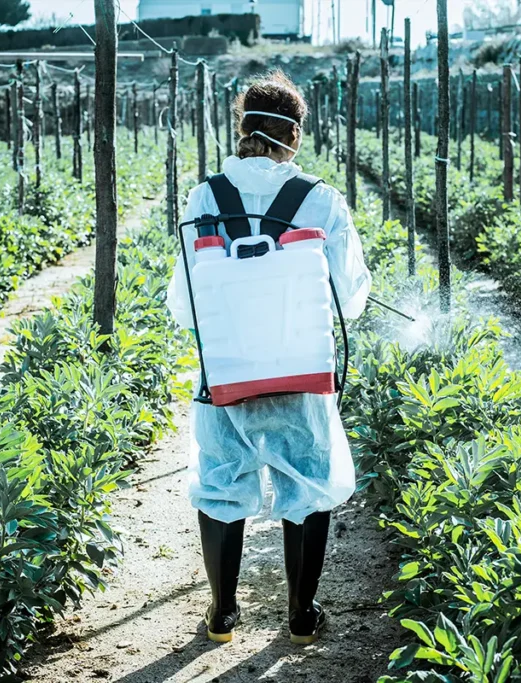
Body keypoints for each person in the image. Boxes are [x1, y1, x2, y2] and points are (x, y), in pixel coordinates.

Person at [166, 71, 371, 646]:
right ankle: (302, 616)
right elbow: (350, 297)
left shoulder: (205, 197)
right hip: (301, 372)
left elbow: (185, 304)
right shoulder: (321, 200)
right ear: (296, 137)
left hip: (225, 373)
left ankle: (222, 613)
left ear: (242, 130)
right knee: (307, 484)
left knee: (220, 482)